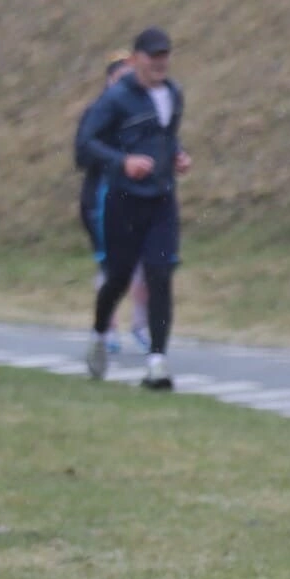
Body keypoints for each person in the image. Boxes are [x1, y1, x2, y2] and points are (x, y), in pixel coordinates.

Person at [77, 27, 192, 391]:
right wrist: (122, 162)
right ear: (137, 59)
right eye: (153, 55)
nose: (160, 62)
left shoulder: (173, 93)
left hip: (162, 199)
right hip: (124, 201)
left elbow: (167, 136)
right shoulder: (116, 98)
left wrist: (178, 155)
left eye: (165, 55)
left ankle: (157, 363)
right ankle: (99, 334)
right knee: (119, 278)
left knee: (160, 275)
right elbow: (86, 143)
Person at [75, 51, 150, 355]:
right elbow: (81, 155)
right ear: (110, 79)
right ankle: (107, 329)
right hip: (100, 200)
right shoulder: (97, 112)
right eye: (123, 77)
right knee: (111, 266)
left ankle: (140, 325)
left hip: (137, 198)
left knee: (144, 261)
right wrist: (117, 159)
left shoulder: (141, 110)